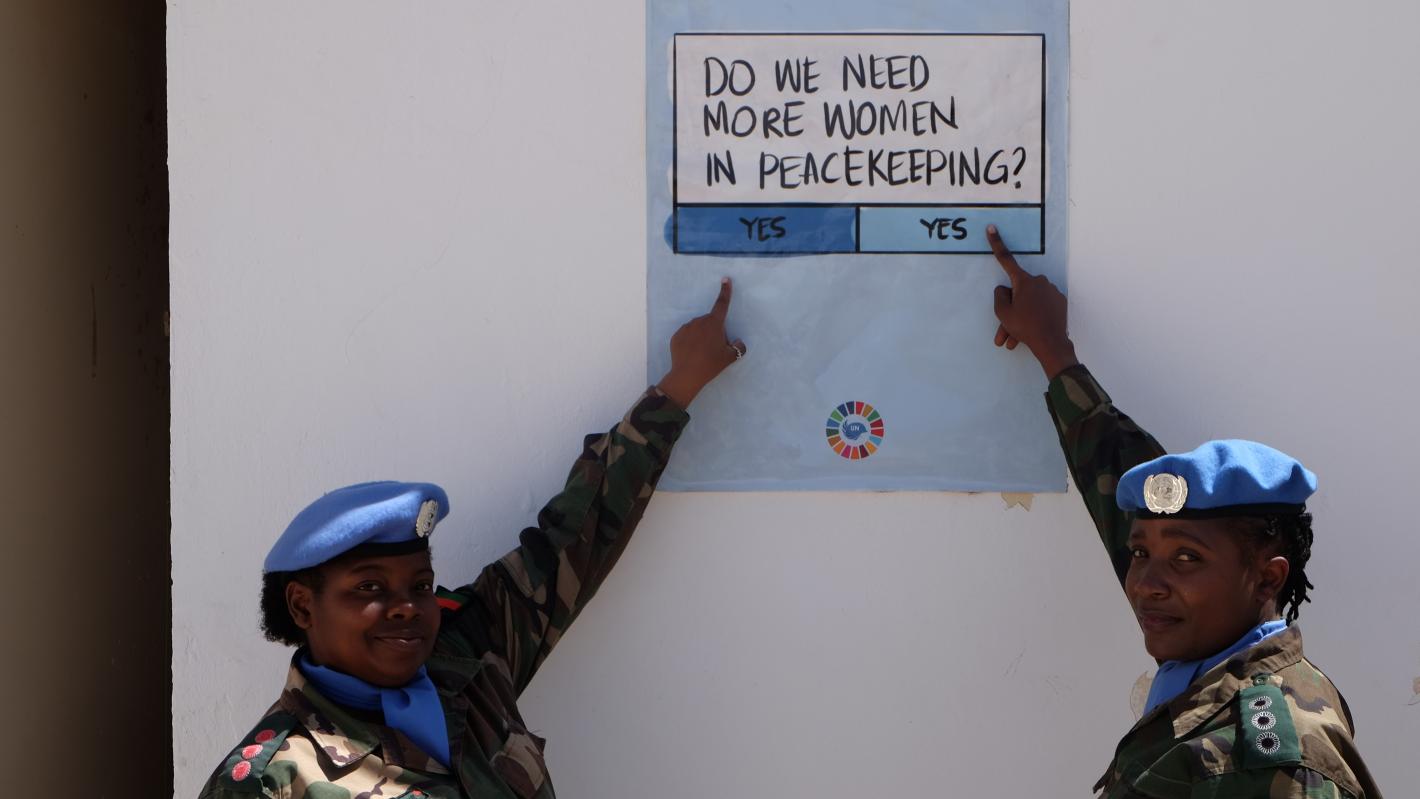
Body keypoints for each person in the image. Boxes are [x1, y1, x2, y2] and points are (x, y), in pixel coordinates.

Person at [198, 280, 747, 799]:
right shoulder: (268, 781)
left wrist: (678, 388)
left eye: (420, 585)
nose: (405, 609)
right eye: (369, 588)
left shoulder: (467, 658)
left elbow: (574, 537)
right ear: (302, 603)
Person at [987, 226, 1383, 798]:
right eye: (1141, 552)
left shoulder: (1261, 759)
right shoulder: (1219, 658)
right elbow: (1123, 486)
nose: (1144, 582)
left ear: (1267, 576)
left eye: (1185, 558)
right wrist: (1055, 351)